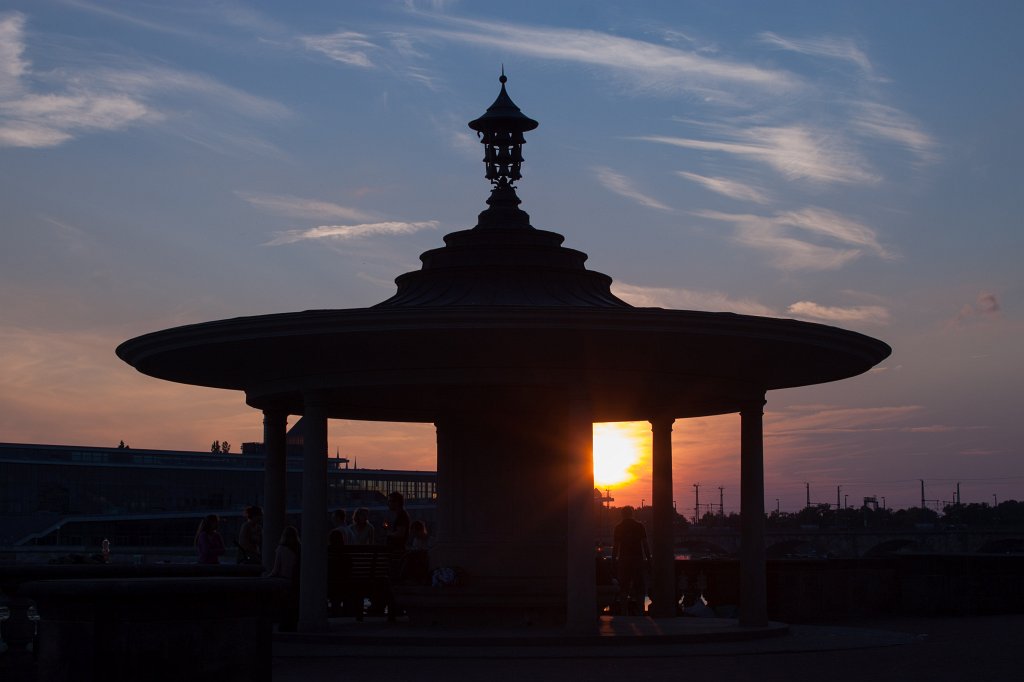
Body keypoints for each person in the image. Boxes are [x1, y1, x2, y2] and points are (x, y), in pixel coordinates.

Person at [612, 505, 651, 615]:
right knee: (639, 587)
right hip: (637, 560)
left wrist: (613, 561)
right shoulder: (639, 526)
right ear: (632, 513)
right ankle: (640, 611)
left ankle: (624, 612)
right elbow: (645, 545)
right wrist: (648, 559)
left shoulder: (618, 527)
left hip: (624, 560)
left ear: (622, 514)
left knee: (624, 587)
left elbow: (616, 547)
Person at [269, 526, 301, 631]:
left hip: (284, 581)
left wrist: (267, 577)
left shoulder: (280, 549)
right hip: (296, 582)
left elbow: (276, 570)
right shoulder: (299, 548)